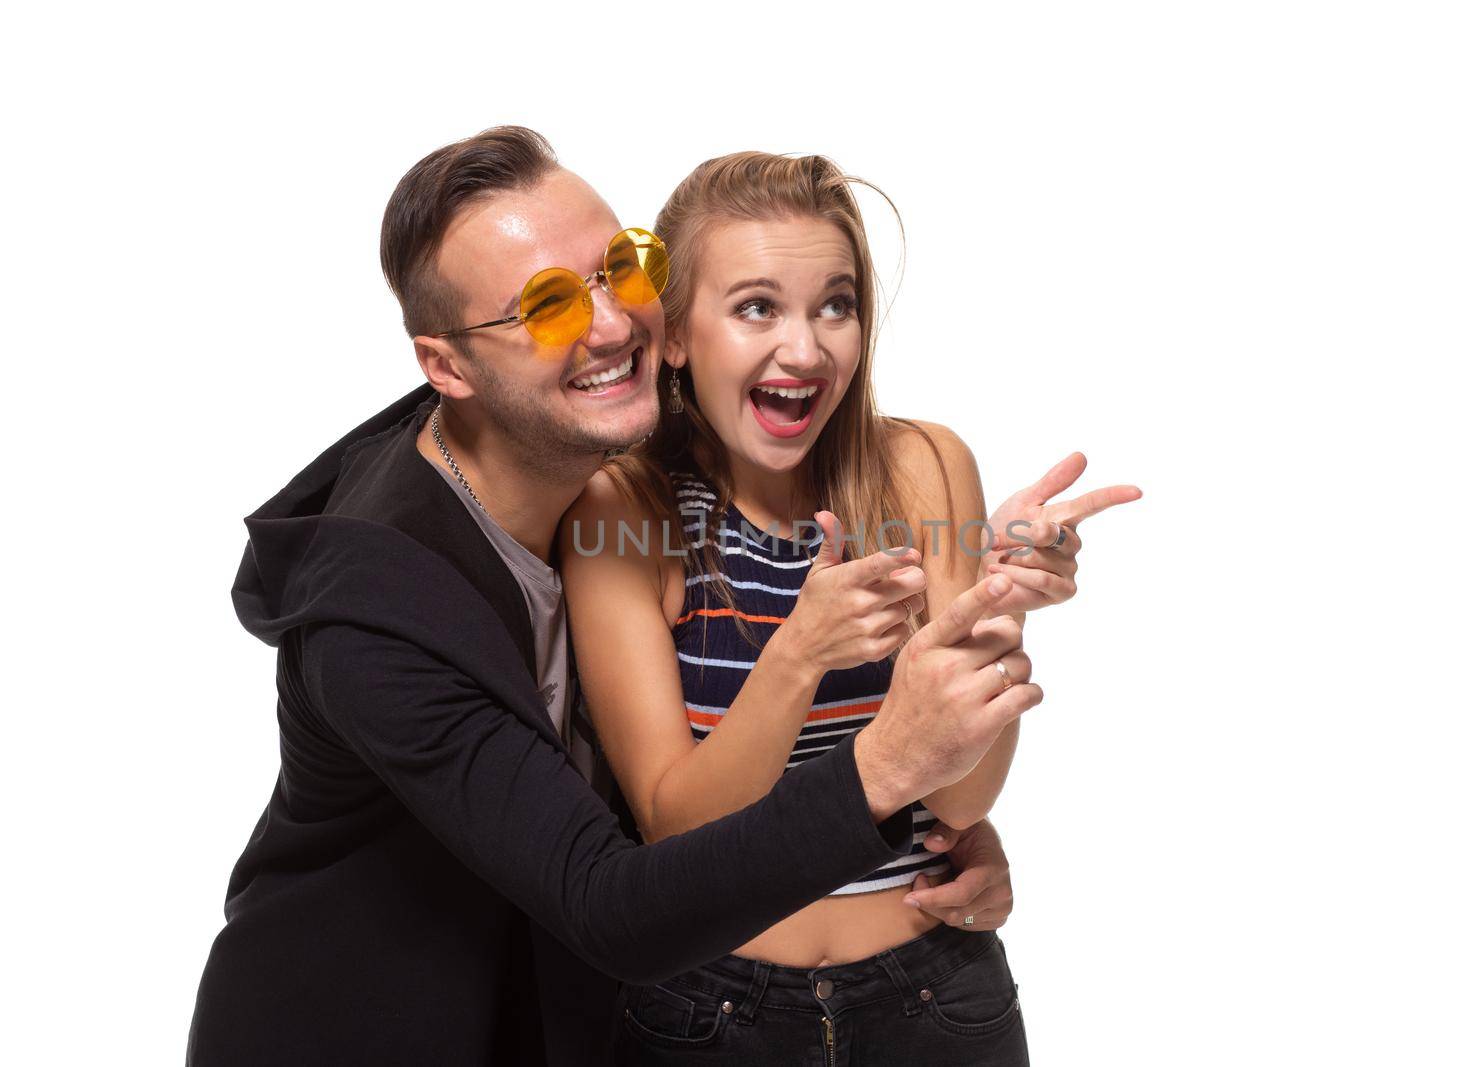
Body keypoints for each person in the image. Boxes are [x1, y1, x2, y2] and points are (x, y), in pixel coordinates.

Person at [186, 128, 1059, 1067]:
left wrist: (943, 809)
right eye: (547, 306)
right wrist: (884, 772)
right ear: (447, 367)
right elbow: (615, 897)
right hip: (368, 1032)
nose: (611, 325)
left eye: (619, 268)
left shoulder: (587, 475)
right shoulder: (380, 617)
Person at [560, 152, 1140, 1065]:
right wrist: (798, 654)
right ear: (673, 335)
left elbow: (960, 793)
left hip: (935, 994)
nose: (807, 347)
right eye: (757, 307)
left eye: (836, 303)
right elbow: (674, 829)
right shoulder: (623, 512)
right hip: (710, 1011)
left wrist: (998, 612)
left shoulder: (923, 464)